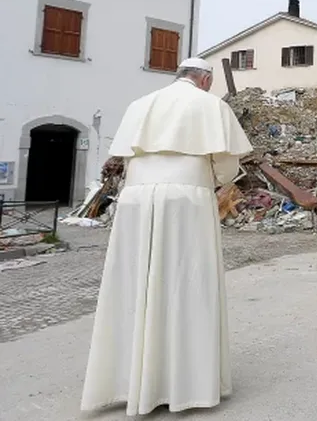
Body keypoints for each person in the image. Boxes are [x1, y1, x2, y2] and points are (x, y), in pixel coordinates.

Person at [81, 58, 252, 416]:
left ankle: (131, 380)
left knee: (135, 284)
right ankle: (184, 382)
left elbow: (125, 156)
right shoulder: (210, 105)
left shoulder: (140, 105)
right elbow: (226, 167)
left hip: (135, 200)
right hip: (186, 199)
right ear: (204, 80)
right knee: (187, 284)